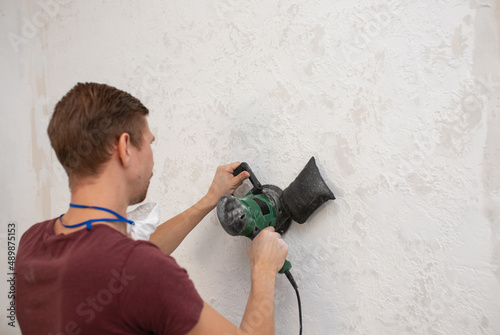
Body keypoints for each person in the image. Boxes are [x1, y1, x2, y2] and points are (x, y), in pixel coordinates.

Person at [15, 82, 288, 335]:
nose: (152, 157)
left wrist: (208, 200)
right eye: (149, 143)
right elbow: (134, 266)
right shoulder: (142, 270)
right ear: (125, 147)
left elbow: (123, 263)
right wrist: (263, 270)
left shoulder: (32, 244)